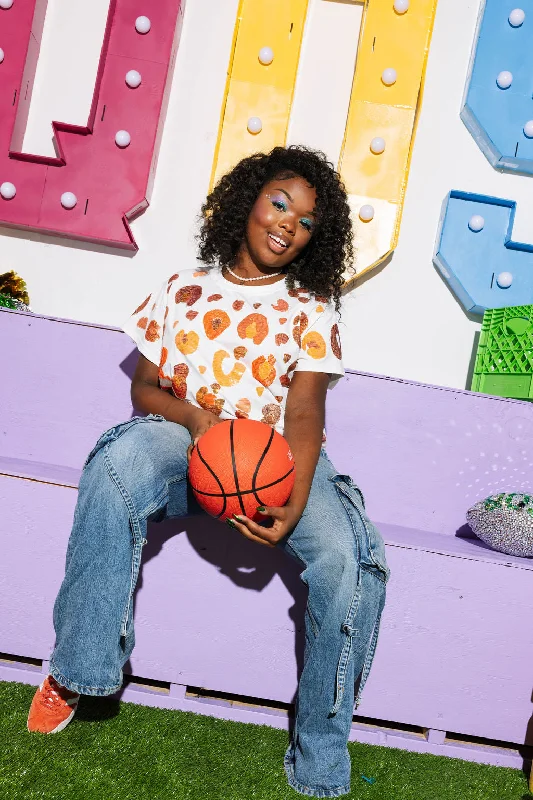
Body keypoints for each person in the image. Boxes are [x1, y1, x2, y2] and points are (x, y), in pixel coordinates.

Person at [27, 145, 389, 798]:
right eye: (279, 203)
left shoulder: (311, 306)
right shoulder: (182, 289)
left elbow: (304, 413)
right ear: (245, 200)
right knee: (115, 463)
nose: (288, 223)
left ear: (318, 235)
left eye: (306, 220)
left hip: (274, 458)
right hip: (183, 443)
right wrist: (197, 423)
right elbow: (145, 389)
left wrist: (295, 495)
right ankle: (77, 671)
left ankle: (320, 753)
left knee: (348, 556)